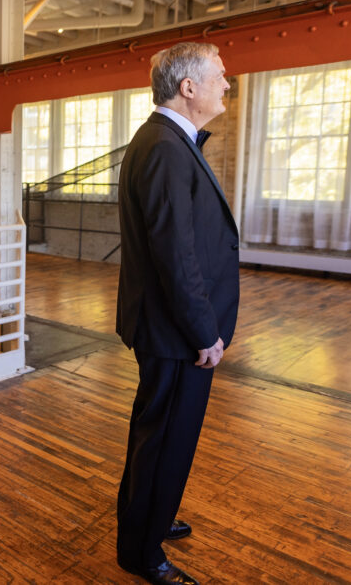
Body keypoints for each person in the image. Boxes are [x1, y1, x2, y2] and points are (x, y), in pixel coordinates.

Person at [115, 43, 239, 585]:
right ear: (188, 87)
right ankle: (142, 554)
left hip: (171, 327)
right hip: (174, 332)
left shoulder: (168, 141)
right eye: (220, 76)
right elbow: (175, 253)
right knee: (164, 439)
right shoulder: (165, 147)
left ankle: (152, 519)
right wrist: (203, 332)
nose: (226, 85)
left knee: (162, 436)